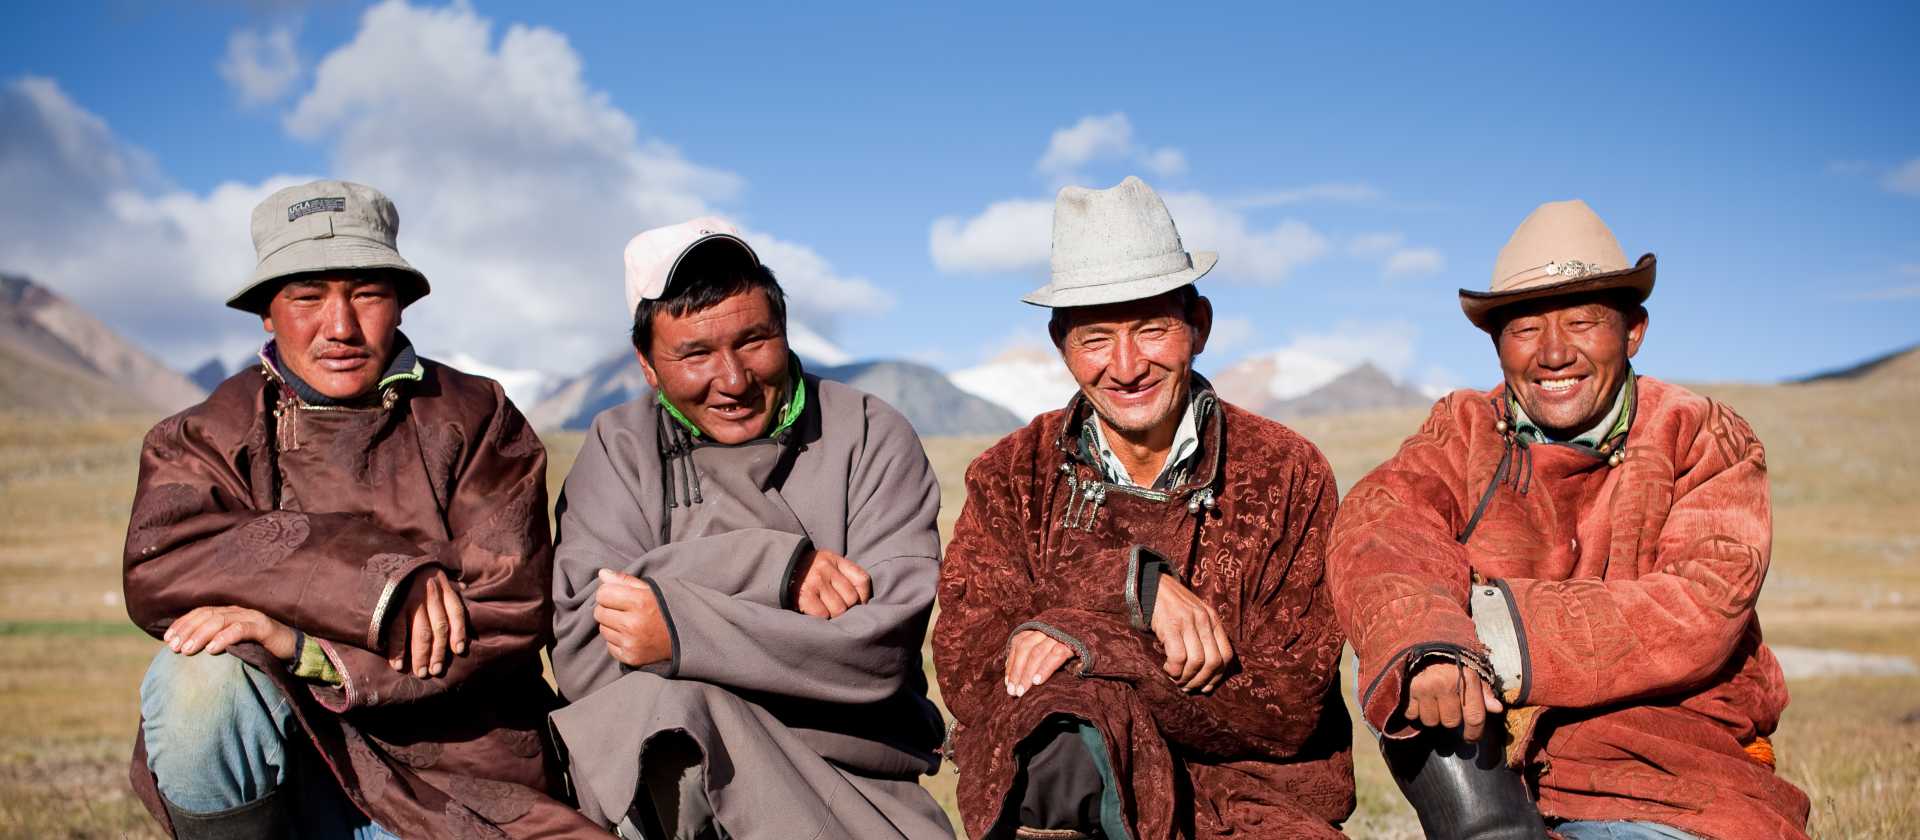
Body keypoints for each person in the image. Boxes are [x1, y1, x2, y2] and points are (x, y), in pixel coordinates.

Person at [123, 180, 604, 837]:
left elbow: (508, 607)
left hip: (461, 779)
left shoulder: (478, 418)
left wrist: (302, 645)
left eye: (367, 294)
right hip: (286, 781)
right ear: (268, 311)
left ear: (401, 303)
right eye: (307, 297)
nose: (340, 327)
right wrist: (383, 583)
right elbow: (164, 563)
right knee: (197, 678)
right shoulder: (201, 437)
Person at [1326, 200, 1812, 839]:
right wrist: (1431, 645)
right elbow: (1378, 528)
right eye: (1525, 329)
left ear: (1633, 331)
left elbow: (1697, 609)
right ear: (1497, 343)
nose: (1553, 353)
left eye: (1583, 322)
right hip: (1502, 784)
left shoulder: (1700, 436)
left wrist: (1491, 631)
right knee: (1407, 647)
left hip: (1676, 782)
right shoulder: (1463, 431)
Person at [933, 176, 1355, 839]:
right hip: (1077, 810)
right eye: (1096, 338)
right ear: (1061, 345)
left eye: (1153, 329)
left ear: (1200, 326)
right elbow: (973, 670)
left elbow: (1290, 702)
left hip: (1257, 809)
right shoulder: (1011, 476)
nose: (1127, 366)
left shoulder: (1286, 473)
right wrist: (1135, 592)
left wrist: (1089, 635)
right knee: (1061, 727)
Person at [546, 218, 954, 839]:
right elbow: (586, 654)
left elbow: (878, 653)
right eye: (694, 354)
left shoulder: (868, 432)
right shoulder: (618, 448)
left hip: (857, 784)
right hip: (677, 801)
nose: (733, 380)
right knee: (657, 710)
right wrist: (775, 571)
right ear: (648, 366)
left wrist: (675, 624)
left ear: (784, 331)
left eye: (754, 341)